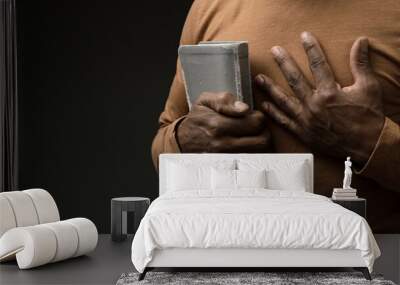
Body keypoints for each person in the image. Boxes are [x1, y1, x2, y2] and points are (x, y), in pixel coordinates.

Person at [151, 0, 400, 233]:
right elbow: (163, 145)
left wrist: (370, 141)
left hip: (370, 269)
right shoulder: (209, 6)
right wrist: (186, 139)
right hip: (228, 259)